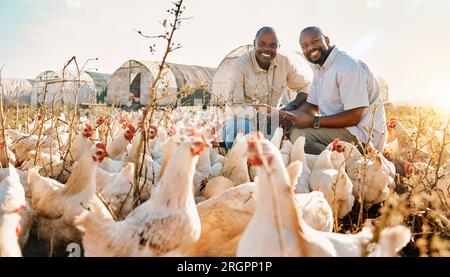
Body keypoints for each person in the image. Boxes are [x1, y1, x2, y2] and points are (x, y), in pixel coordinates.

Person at [280, 26, 387, 154]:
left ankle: (349, 166)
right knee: (291, 129)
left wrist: (312, 121)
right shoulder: (320, 69)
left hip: (362, 136)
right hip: (341, 128)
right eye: (304, 46)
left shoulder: (347, 67)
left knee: (300, 137)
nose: (310, 48)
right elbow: (312, 106)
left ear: (327, 40)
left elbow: (355, 116)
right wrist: (289, 117)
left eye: (314, 41)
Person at [223, 26, 311, 149]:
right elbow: (235, 106)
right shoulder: (240, 66)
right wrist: (265, 115)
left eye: (273, 45)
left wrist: (290, 108)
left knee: (298, 138)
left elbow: (306, 86)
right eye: (262, 44)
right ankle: (241, 159)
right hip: (245, 120)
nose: (267, 49)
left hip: (273, 121)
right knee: (243, 133)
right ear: (254, 43)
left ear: (279, 46)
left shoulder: (285, 63)